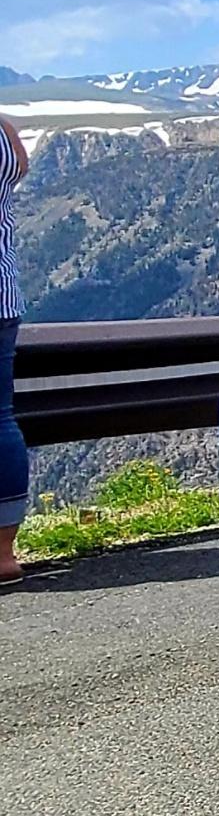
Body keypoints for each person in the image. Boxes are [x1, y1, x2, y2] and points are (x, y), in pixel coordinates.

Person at [0, 112, 26, 585]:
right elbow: (18, 168)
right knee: (0, 418)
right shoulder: (3, 135)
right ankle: (3, 552)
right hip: (2, 297)